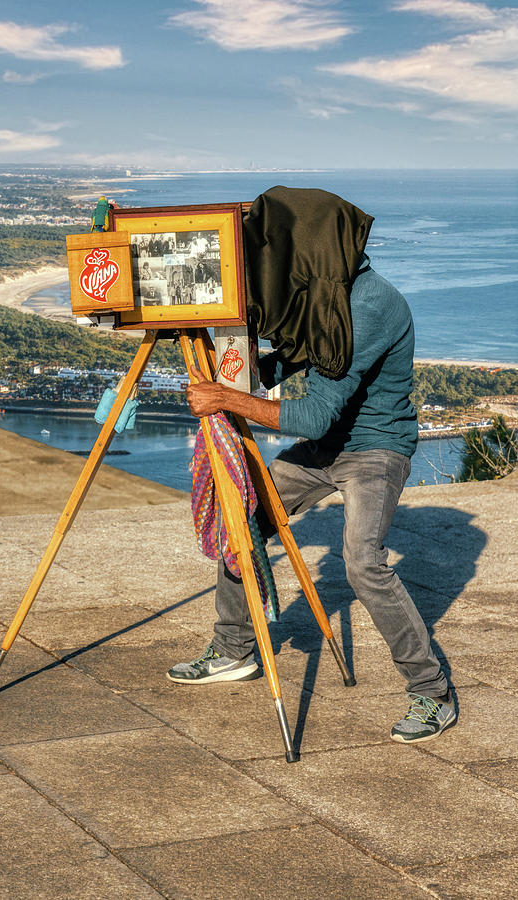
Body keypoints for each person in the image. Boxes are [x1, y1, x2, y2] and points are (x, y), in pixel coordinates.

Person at [167, 188, 455, 745]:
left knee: (361, 564)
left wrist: (227, 400)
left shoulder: (368, 305)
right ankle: (234, 651)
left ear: (310, 247)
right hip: (327, 451)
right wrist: (245, 367)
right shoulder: (322, 292)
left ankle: (432, 693)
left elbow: (316, 415)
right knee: (240, 513)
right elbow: (298, 355)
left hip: (374, 450)